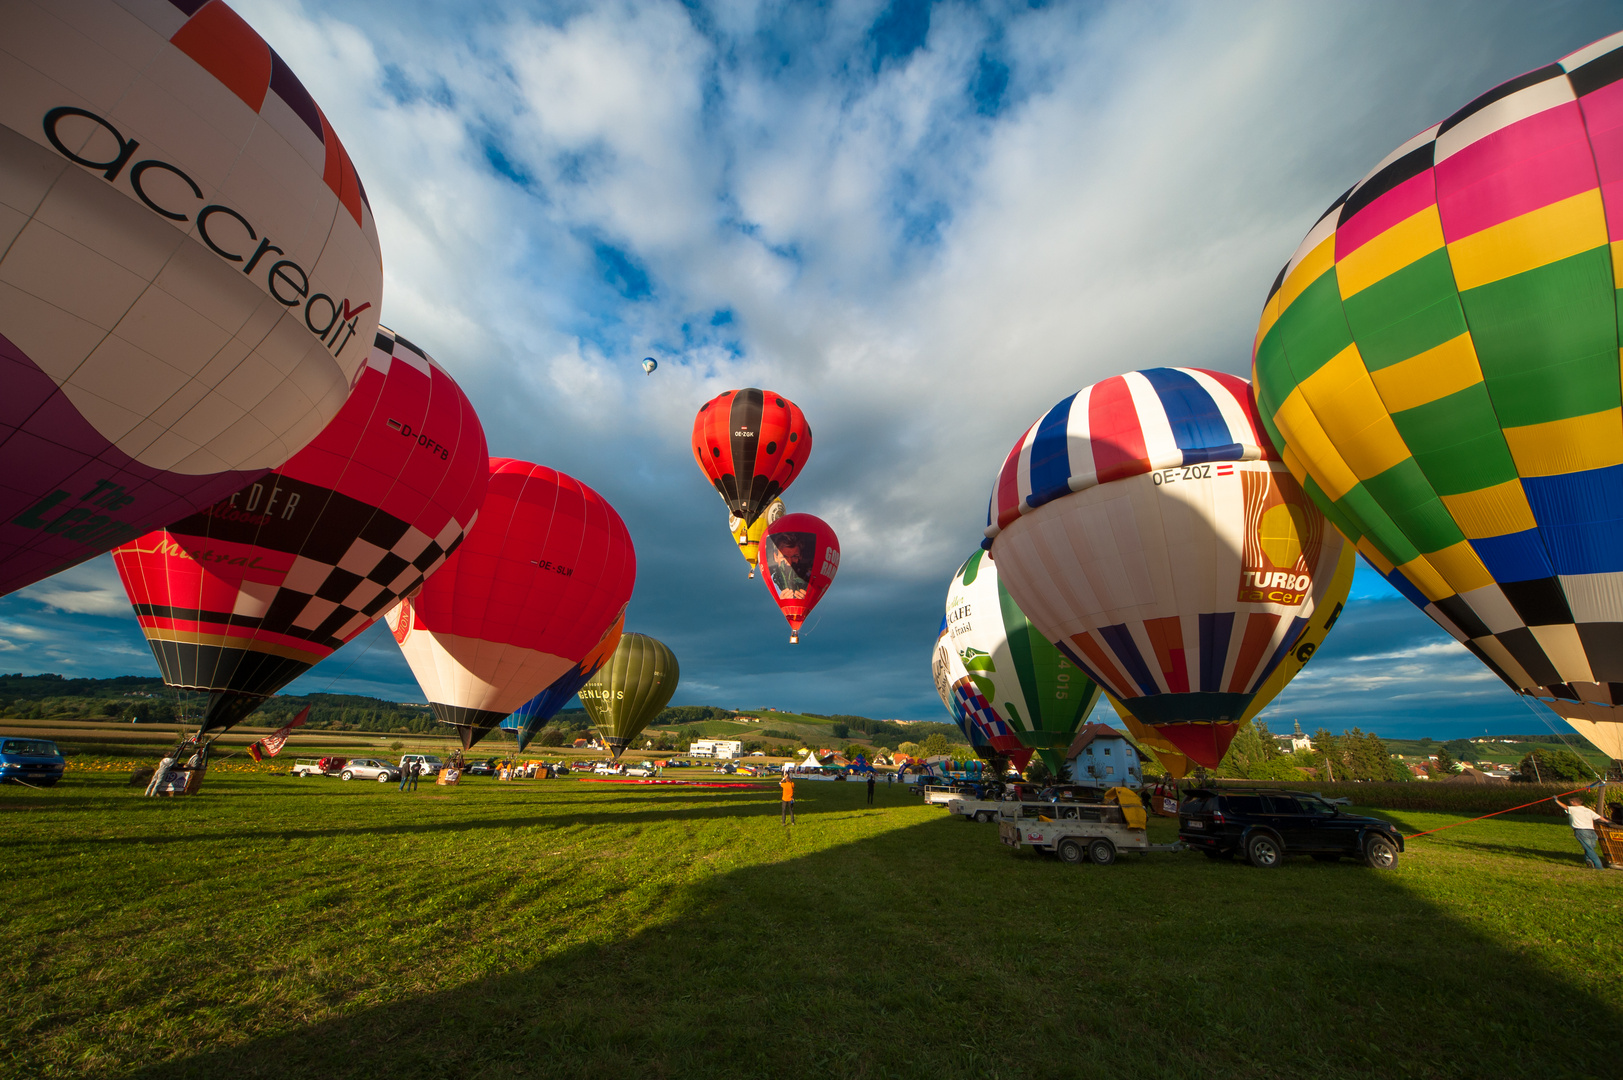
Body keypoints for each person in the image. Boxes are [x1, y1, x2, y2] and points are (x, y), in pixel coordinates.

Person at [1554, 793, 1610, 869]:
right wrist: (1607, 822)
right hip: (1592, 831)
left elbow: (1565, 807)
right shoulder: (1588, 810)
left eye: (1571, 802)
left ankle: (1598, 866)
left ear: (1573, 802)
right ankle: (1588, 861)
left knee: (1589, 849)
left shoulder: (1573, 809)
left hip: (1581, 831)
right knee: (1591, 847)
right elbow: (1598, 817)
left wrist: (1556, 800)